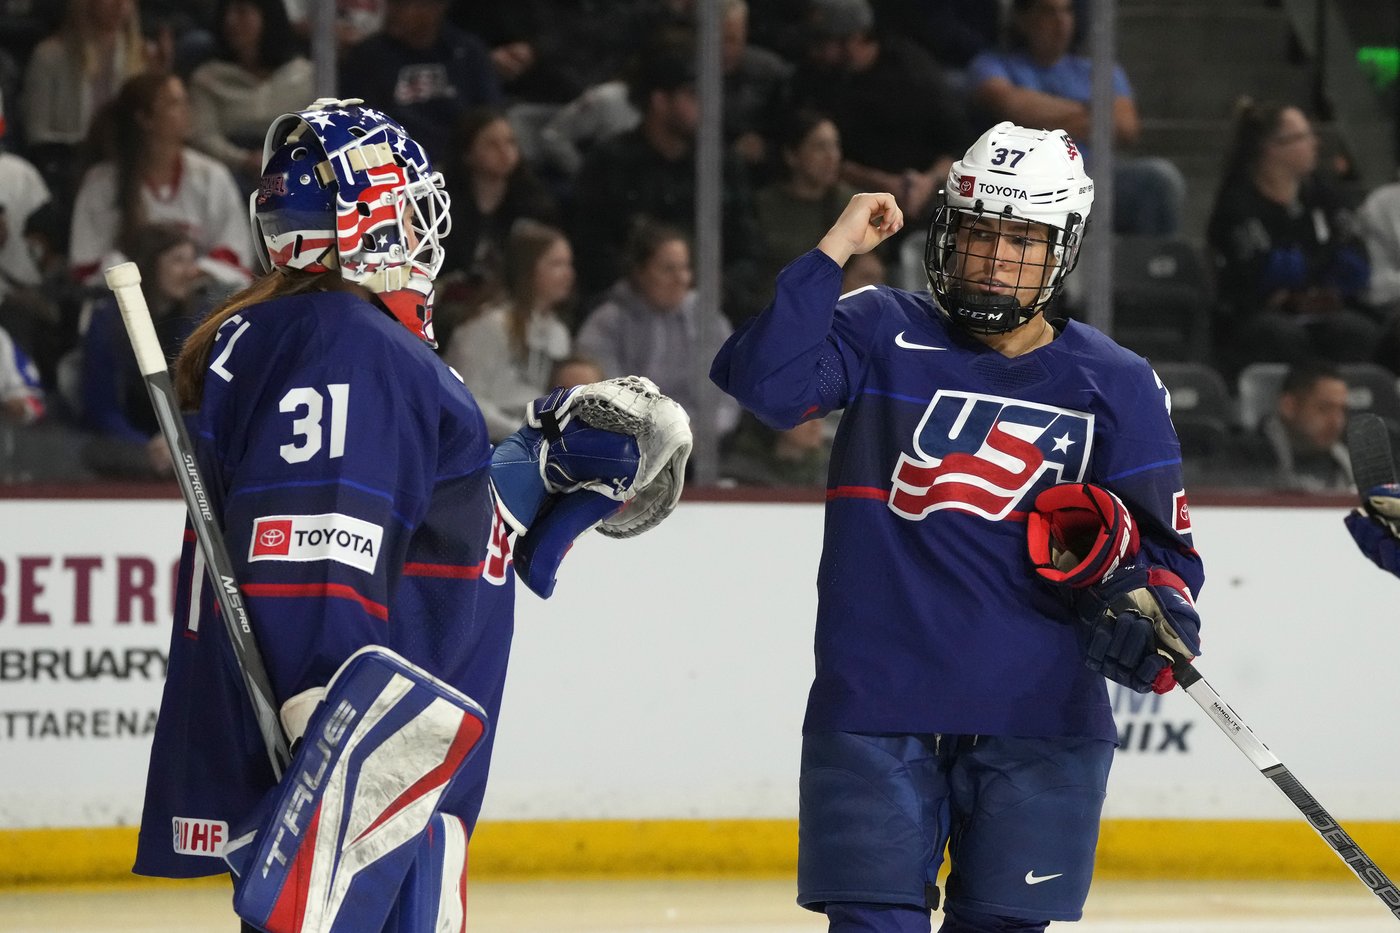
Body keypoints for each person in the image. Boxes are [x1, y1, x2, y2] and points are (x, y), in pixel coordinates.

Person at [129, 98, 689, 931]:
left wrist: (529, 468)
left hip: (390, 780)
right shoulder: (349, 342)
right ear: (371, 219)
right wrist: (331, 724)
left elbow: (412, 524)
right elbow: (312, 542)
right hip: (371, 787)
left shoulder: (296, 333)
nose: (427, 240)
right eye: (415, 211)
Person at [711, 121, 1204, 931]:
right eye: (979, 234)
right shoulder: (879, 327)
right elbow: (768, 384)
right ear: (947, 231)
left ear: (1062, 250)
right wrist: (832, 249)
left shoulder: (1117, 384)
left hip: (1041, 715)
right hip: (876, 702)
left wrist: (1154, 614)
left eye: (1022, 240)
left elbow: (1163, 557)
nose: (994, 259)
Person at [966, 0, 1185, 237]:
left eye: (1066, 11)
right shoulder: (992, 64)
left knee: (1158, 179)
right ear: (1023, 20)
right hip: (1025, 182)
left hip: (1091, 178)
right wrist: (1092, 111)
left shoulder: (1099, 70)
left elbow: (1125, 127)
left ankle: (1149, 270)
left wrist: (1044, 117)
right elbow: (1012, 107)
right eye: (1048, 12)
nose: (1060, 22)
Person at [1206, 98, 1378, 377]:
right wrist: (1317, 265)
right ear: (1272, 148)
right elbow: (1264, 275)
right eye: (1302, 137)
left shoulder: (1321, 195)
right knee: (1279, 335)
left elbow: (1355, 264)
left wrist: (1313, 279)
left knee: (1357, 332)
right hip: (1255, 318)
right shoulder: (1238, 204)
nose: (1315, 143)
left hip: (1324, 310)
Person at [67, 71, 255, 287]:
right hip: (126, 302)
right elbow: (86, 265)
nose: (187, 111)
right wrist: (149, 276)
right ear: (145, 119)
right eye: (173, 104)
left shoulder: (211, 175)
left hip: (199, 299)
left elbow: (235, 251)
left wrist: (193, 272)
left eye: (186, 101)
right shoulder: (101, 183)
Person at [577, 219, 740, 443]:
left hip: (703, 450)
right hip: (628, 449)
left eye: (685, 268)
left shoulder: (708, 320)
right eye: (668, 269)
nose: (681, 279)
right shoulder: (607, 323)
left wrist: (699, 432)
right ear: (640, 272)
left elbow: (728, 394)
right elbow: (603, 397)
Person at [77, 223, 208, 479]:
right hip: (124, 445)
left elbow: (204, 400)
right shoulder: (108, 321)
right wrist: (144, 445)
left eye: (192, 261)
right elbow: (99, 405)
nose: (191, 272)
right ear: (148, 265)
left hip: (184, 444)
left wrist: (177, 438)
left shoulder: (200, 322)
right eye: (178, 261)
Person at [441, 219, 575, 442]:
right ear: (529, 268)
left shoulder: (558, 333)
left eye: (569, 264)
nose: (568, 274)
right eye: (556, 264)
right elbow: (466, 399)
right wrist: (524, 435)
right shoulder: (490, 324)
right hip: (480, 442)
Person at [337, 0, 503, 165]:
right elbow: (358, 122)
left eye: (406, 5)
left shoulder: (466, 52)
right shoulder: (367, 57)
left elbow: (487, 116)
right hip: (394, 163)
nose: (395, 13)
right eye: (393, 5)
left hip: (461, 165)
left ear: (437, 8)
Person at [438, 107, 559, 313]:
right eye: (492, 145)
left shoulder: (534, 205)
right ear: (467, 154)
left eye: (510, 143)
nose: (505, 152)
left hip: (515, 300)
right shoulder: (439, 204)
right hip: (452, 299)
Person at [187, 0, 315, 192]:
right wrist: (245, 160)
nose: (231, 21)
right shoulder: (208, 78)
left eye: (242, 12)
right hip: (231, 173)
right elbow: (204, 136)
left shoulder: (306, 75)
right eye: (226, 13)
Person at [754, 109, 858, 291]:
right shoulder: (763, 205)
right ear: (792, 155)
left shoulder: (850, 204)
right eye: (820, 147)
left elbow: (867, 268)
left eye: (835, 146)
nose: (832, 156)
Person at [1213, 360, 1353, 493]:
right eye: (1324, 408)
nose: (1337, 422)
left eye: (1342, 410)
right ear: (1289, 406)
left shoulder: (1349, 462)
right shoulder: (1241, 458)